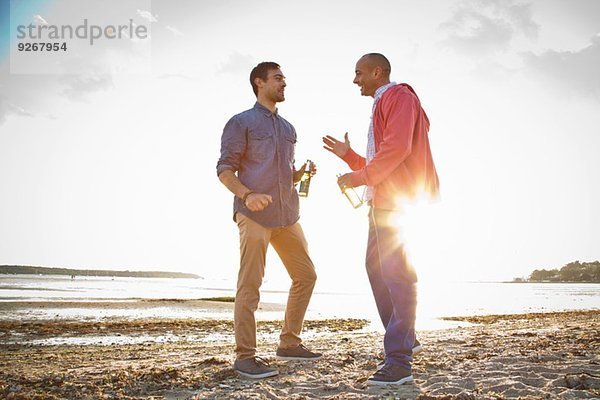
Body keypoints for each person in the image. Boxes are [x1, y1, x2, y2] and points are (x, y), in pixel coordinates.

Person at [322, 53, 439, 386]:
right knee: (377, 268)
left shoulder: (398, 95)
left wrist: (357, 178)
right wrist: (348, 157)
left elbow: (397, 149)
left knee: (396, 274)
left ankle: (399, 361)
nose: (355, 80)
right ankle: (405, 336)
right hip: (384, 200)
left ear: (377, 72)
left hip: (398, 201)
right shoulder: (381, 103)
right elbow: (379, 161)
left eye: (359, 73)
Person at [217, 61, 321, 379]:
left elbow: (284, 174)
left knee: (306, 276)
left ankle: (289, 343)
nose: (283, 83)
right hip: (254, 215)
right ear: (259, 83)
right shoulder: (241, 122)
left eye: (284, 79)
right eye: (278, 79)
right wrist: (247, 195)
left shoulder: (289, 128)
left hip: (287, 215)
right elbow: (225, 169)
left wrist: (301, 173)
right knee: (250, 285)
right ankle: (245, 356)